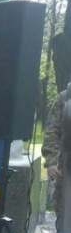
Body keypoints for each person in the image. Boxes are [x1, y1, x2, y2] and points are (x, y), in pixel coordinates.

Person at [41, 82, 71, 213]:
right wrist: (52, 161)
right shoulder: (64, 98)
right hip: (67, 167)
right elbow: (53, 131)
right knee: (64, 215)